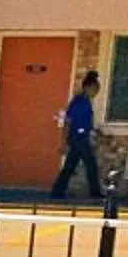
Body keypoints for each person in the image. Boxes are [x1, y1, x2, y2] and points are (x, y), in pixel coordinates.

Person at [52, 68, 103, 199]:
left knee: (70, 166)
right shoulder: (78, 102)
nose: (96, 93)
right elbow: (68, 121)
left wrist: (93, 131)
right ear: (87, 87)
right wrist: (63, 142)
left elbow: (86, 122)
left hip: (82, 137)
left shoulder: (86, 102)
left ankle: (57, 192)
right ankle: (95, 192)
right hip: (77, 138)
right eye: (94, 90)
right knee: (90, 164)